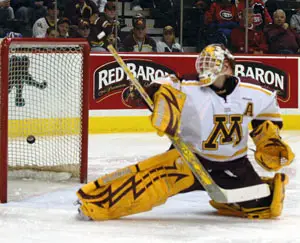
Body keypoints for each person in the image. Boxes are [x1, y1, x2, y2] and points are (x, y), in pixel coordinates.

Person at [76, 44, 295, 220]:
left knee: (267, 205)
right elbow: (164, 85)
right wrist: (154, 94)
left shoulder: (256, 92)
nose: (204, 69)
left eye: (211, 64)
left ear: (227, 67)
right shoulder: (187, 85)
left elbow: (266, 118)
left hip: (234, 164)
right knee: (143, 186)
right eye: (203, 63)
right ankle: (95, 200)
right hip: (190, 160)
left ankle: (230, 199)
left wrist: (269, 140)